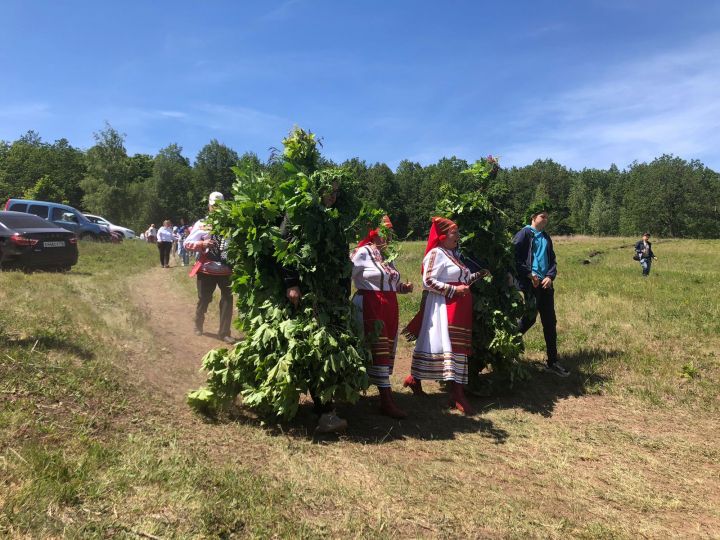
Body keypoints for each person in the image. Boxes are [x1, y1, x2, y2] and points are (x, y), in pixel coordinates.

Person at [281, 179, 349, 433]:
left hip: (329, 293)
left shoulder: (333, 219)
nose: (332, 196)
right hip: (306, 292)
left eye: (336, 192)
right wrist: (292, 283)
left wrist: (344, 290)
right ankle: (324, 411)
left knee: (326, 343)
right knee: (316, 345)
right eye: (328, 191)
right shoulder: (299, 214)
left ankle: (324, 407)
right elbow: (285, 247)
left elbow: (340, 257)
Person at [404, 217, 485, 415]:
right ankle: (456, 393)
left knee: (457, 346)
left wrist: (478, 275)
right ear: (442, 236)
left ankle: (416, 379)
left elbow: (462, 279)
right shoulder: (436, 254)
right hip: (443, 306)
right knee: (446, 345)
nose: (458, 236)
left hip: (460, 308)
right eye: (454, 233)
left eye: (458, 232)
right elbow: (428, 281)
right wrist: (453, 291)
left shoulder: (453, 254)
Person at [350, 216, 413, 418]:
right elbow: (346, 275)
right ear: (374, 232)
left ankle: (381, 394)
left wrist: (404, 288)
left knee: (386, 348)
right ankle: (386, 400)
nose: (390, 235)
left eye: (391, 232)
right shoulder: (362, 253)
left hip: (389, 305)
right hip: (370, 304)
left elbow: (391, 283)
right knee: (376, 349)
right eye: (386, 231)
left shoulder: (387, 255)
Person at [513, 208, 569, 377]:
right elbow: (514, 257)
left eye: (547, 218)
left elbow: (552, 260)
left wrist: (550, 276)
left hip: (545, 285)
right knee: (529, 319)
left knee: (550, 322)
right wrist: (529, 274)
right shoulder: (524, 234)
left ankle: (552, 362)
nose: (545, 220)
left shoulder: (546, 237)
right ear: (533, 217)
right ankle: (507, 345)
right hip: (530, 285)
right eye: (542, 216)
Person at [184, 192, 234, 344]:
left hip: (226, 269)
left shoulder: (231, 223)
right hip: (206, 268)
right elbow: (187, 244)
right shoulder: (201, 223)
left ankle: (224, 332)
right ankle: (198, 324)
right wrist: (202, 244)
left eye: (220, 205)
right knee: (204, 299)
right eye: (214, 206)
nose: (217, 208)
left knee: (227, 300)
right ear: (209, 206)